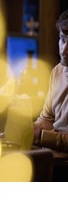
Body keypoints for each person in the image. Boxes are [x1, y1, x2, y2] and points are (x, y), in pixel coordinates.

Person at [33, 9, 68, 154]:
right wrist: (31, 128)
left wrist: (41, 136)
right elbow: (47, 118)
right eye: (63, 39)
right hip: (52, 155)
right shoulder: (58, 71)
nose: (64, 50)